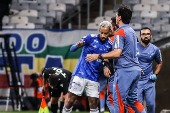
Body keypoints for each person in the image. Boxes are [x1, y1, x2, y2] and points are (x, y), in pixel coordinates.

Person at [86, 5, 146, 113]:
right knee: (133, 100)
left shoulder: (120, 32)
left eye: (116, 15)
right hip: (135, 70)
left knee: (117, 101)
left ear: (119, 18)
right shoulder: (132, 32)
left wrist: (98, 56)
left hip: (124, 71)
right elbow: (134, 52)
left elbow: (117, 53)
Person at [62, 21, 113, 113]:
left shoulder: (110, 45)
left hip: (95, 77)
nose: (103, 35)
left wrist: (106, 66)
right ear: (99, 30)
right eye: (101, 32)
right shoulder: (90, 38)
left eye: (106, 33)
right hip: (80, 74)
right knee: (70, 100)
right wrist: (77, 46)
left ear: (109, 32)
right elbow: (72, 49)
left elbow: (107, 60)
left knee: (93, 103)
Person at [137, 27, 163, 113]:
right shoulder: (133, 47)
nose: (146, 36)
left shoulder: (155, 49)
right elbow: (127, 60)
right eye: (143, 34)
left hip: (149, 81)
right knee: (138, 108)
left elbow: (159, 63)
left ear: (151, 36)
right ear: (140, 36)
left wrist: (155, 74)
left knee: (151, 105)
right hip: (136, 81)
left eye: (148, 34)